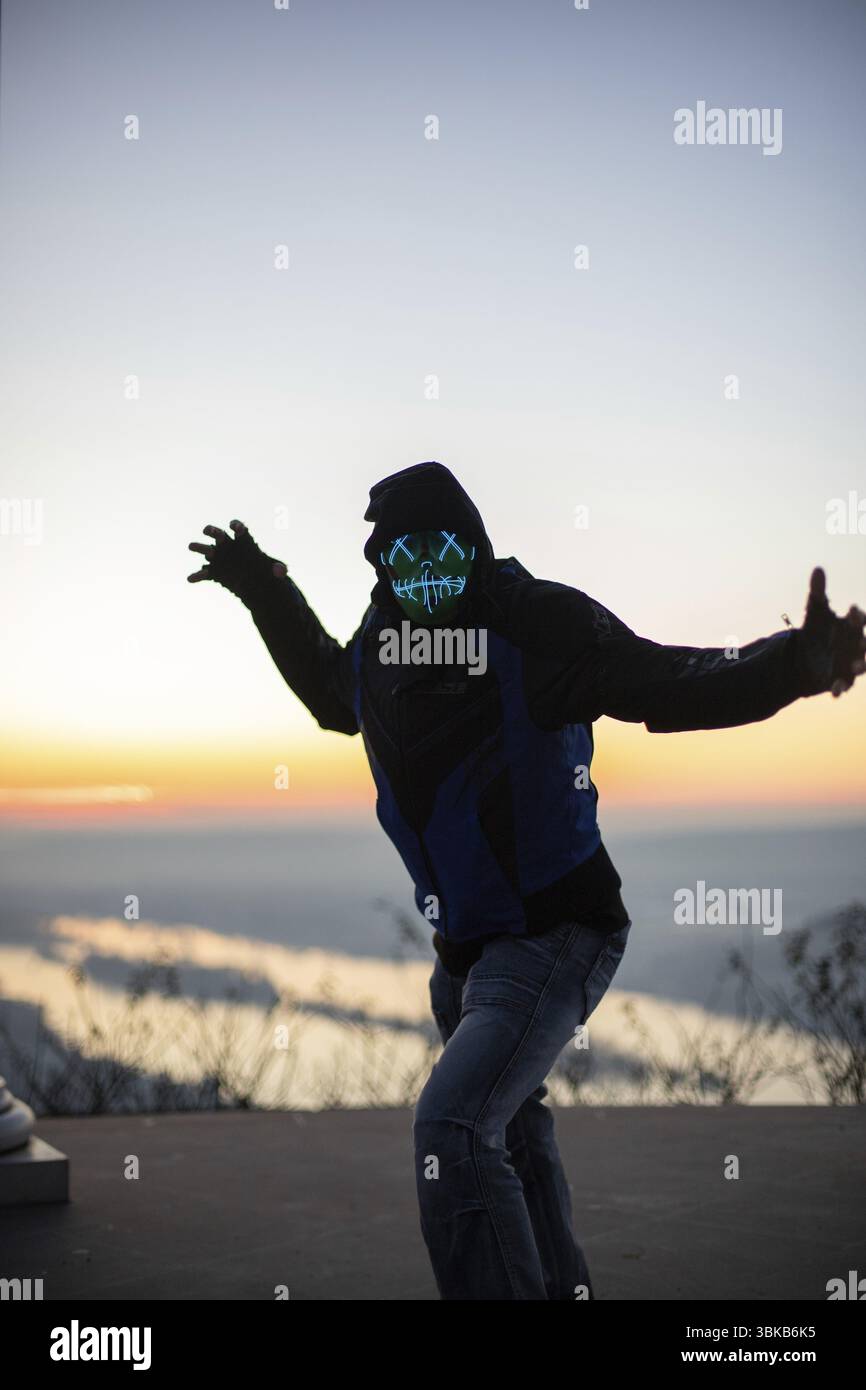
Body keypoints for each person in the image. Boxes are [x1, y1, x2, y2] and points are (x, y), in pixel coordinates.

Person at [187, 460, 865, 1300]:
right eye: (405, 558)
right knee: (508, 1135)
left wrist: (796, 662)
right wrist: (267, 591)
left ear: (472, 546)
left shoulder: (534, 623)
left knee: (453, 1130)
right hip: (463, 955)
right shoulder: (386, 641)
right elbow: (334, 694)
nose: (427, 574)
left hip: (554, 933)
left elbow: (667, 679)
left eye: (442, 551)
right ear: (383, 566)